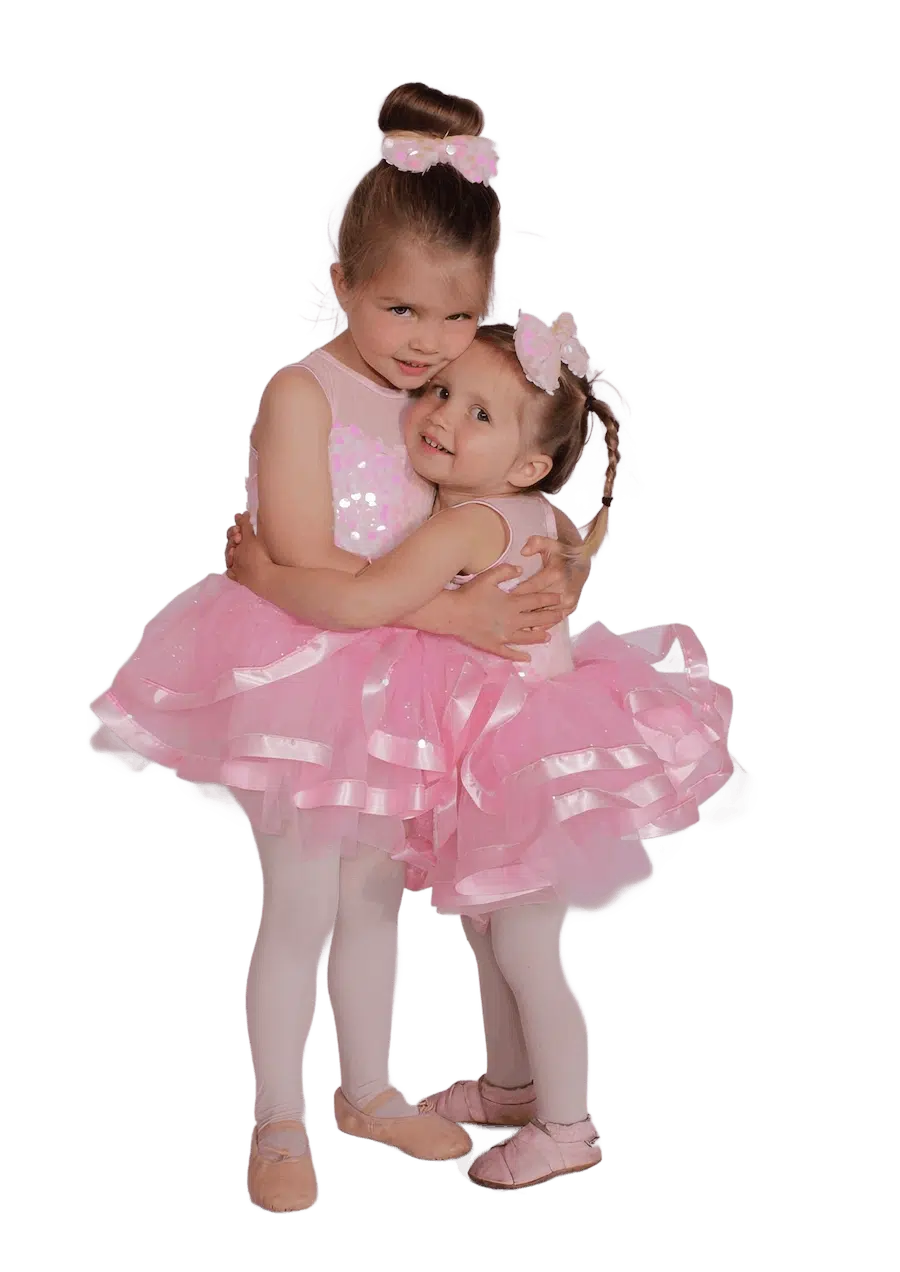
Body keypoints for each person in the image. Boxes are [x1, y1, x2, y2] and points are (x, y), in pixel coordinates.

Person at [81, 80, 575, 1215]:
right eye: (400, 312)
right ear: (342, 283)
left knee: (373, 899)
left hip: (405, 689)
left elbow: (489, 497)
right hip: (304, 678)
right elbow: (302, 562)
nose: (429, 347)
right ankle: (278, 1119)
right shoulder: (301, 394)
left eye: (457, 318)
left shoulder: (445, 391)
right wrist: (455, 614)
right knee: (299, 900)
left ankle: (369, 1087)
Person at [226, 312, 759, 1193]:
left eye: (480, 414)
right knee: (494, 933)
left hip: (516, 766)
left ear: (526, 464)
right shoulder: (528, 511)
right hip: (505, 759)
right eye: (440, 393)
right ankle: (513, 1089)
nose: (440, 415)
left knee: (524, 944)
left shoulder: (472, 524)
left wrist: (268, 578)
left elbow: (366, 600)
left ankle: (568, 1126)